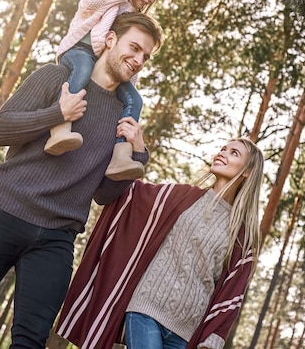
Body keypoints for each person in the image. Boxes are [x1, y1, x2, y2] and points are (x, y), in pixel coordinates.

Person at [0, 11, 163, 349]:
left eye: (145, 56)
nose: (138, 60)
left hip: (57, 237)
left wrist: (138, 153)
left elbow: (104, 195)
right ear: (110, 40)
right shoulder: (56, 77)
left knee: (32, 341)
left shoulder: (125, 117)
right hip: (4, 214)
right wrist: (58, 114)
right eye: (134, 48)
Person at [56, 138, 265, 349]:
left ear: (247, 171)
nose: (222, 153)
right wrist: (136, 148)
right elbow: (129, 193)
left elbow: (232, 291)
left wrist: (213, 337)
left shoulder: (241, 236)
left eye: (234, 153)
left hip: (187, 331)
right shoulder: (181, 197)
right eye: (223, 148)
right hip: (145, 309)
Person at [45, 0, 168, 182]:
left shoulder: (132, 16)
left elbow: (123, 56)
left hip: (103, 64)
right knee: (82, 71)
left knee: (135, 100)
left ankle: (120, 156)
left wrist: (128, 81)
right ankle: (60, 129)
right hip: (79, 52)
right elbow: (90, 0)